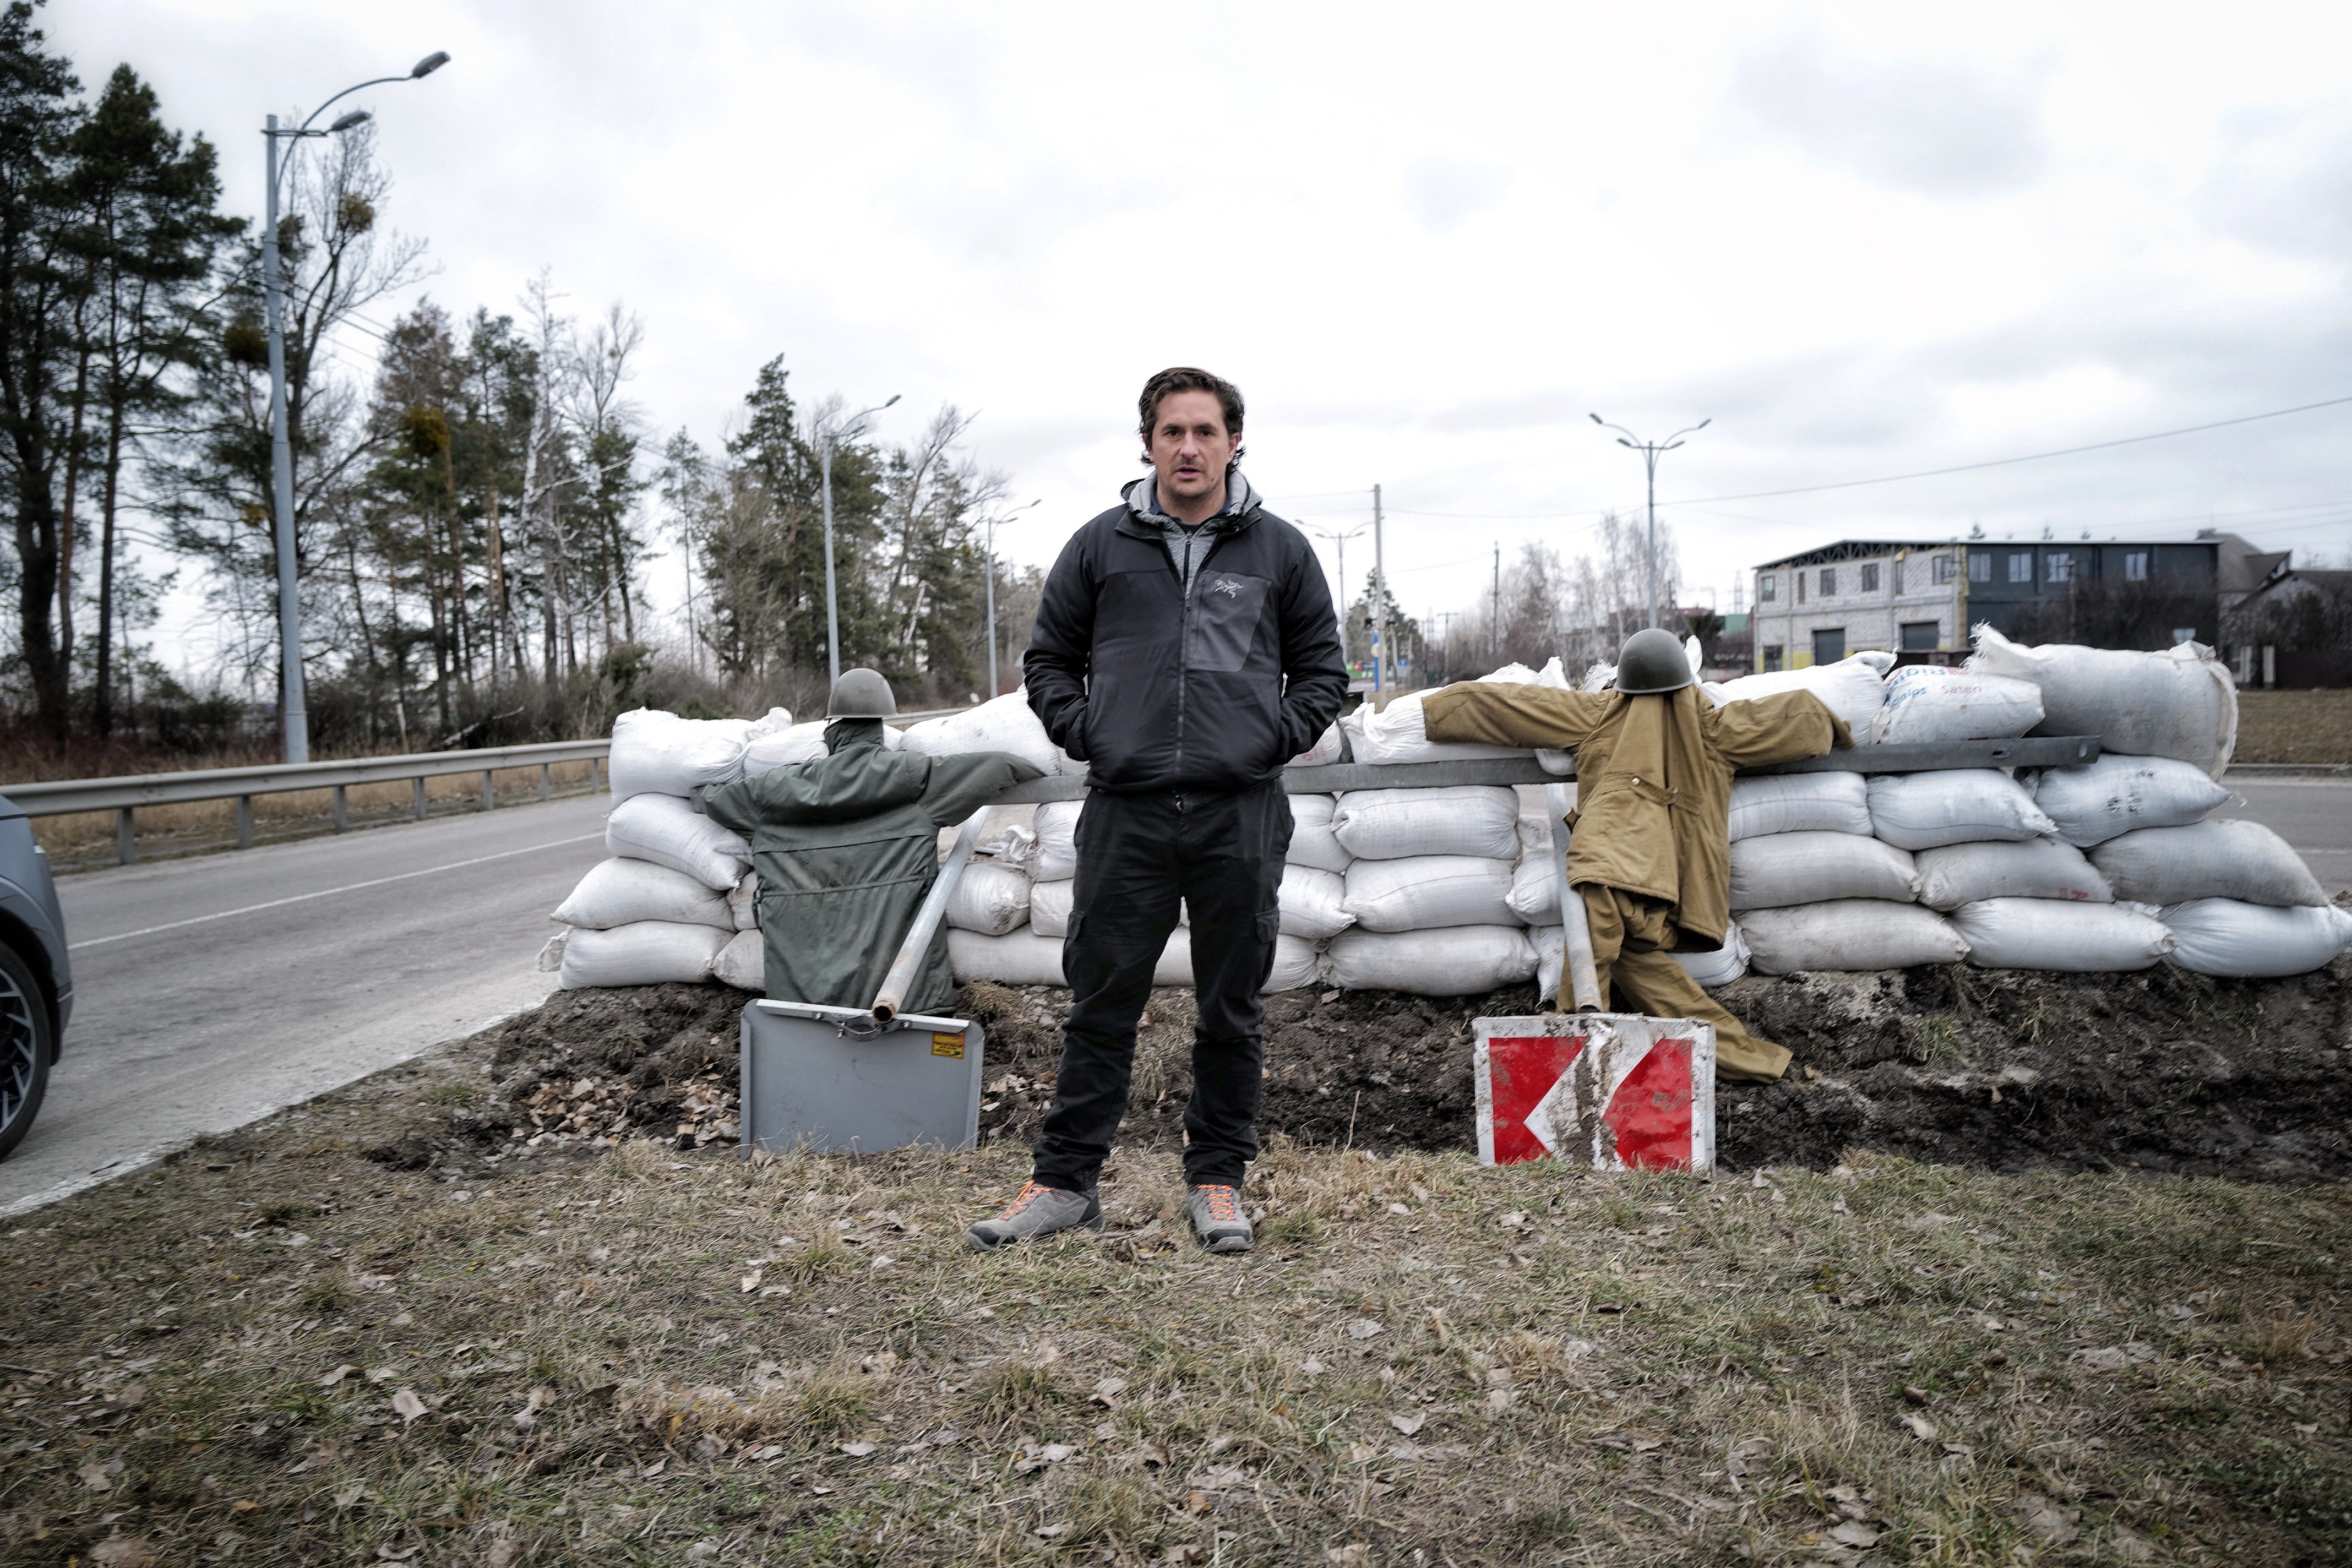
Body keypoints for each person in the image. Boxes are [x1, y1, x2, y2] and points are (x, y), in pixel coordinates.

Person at [967, 367, 1348, 1254]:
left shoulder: (1280, 552)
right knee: (1103, 1002)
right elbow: (1049, 661)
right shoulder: (1101, 546)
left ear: (1234, 442)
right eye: (1171, 432)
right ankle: (1064, 1184)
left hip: (1239, 813)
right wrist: (1093, 732)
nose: (1188, 448)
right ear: (1147, 443)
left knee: (1231, 1007)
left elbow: (1325, 673)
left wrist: (1263, 740)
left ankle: (1217, 1181)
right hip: (1127, 812)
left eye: (1204, 432)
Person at [1420, 627, 1852, 1081]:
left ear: (1622, 684)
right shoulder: (1716, 726)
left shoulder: (1601, 714)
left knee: (1588, 973)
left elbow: (1508, 707)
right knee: (1640, 968)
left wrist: (1433, 712)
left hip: (1605, 864)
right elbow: (1798, 717)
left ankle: (1574, 1068)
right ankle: (1754, 1062)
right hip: (1669, 881)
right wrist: (1840, 728)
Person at [703, 669, 1041, 1015]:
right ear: (881, 727)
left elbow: (709, 797)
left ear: (831, 730)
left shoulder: (769, 794)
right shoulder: (916, 778)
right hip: (907, 1002)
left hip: (800, 1006)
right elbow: (1005, 766)